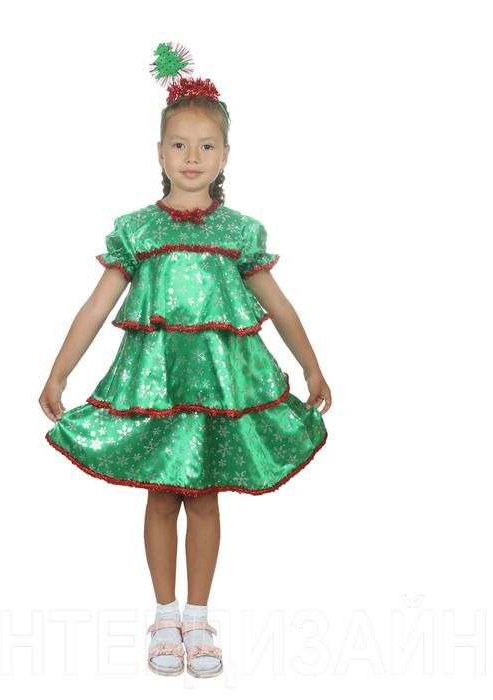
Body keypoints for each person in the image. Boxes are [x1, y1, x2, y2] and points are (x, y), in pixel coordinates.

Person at [38, 42, 332, 679]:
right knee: (160, 497)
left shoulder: (238, 233)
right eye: (179, 144)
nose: (191, 157)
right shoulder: (138, 231)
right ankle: (164, 615)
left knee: (202, 499)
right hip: (156, 387)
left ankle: (198, 619)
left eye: (205, 146)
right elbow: (95, 306)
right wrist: (60, 371)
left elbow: (279, 305)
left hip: (221, 389)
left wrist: (310, 365)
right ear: (159, 152)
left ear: (224, 156)